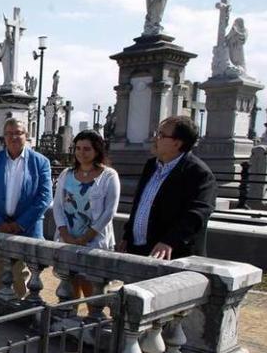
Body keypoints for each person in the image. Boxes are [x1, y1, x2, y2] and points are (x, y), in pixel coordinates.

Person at [120, 116, 216, 260]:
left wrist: (169, 241)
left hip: (172, 255)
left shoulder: (199, 173)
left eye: (160, 135)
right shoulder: (151, 165)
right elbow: (141, 204)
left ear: (177, 143)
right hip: (138, 249)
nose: (154, 139)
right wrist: (128, 235)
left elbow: (197, 214)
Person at [0, 118, 52, 295]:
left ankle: (21, 316)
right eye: (9, 133)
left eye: (18, 133)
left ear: (26, 136)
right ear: (4, 137)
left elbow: (45, 197)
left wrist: (20, 223)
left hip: (26, 230)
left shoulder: (40, 162)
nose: (13, 137)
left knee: (22, 277)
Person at [53, 130, 120, 296]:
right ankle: (69, 319)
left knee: (92, 288)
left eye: (87, 149)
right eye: (78, 148)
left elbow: (109, 212)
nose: (81, 153)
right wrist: (65, 235)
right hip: (68, 238)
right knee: (69, 285)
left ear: (97, 150)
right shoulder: (66, 174)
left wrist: (85, 238)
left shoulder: (108, 176)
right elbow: (58, 206)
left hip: (94, 241)